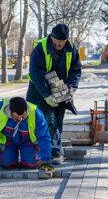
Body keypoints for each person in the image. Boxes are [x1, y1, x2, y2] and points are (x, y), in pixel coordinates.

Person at [26, 23, 82, 164]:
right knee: (46, 119)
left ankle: (54, 150)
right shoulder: (41, 47)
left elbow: (76, 71)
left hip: (60, 87)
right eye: (56, 41)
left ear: (66, 40)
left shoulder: (71, 49)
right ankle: (50, 151)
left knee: (58, 118)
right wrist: (46, 95)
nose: (58, 44)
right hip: (39, 89)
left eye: (61, 42)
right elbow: (36, 73)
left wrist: (70, 89)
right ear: (52, 37)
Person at [0, 97, 54, 171]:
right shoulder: (0, 108)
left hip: (28, 142)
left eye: (23, 116)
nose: (20, 119)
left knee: (31, 164)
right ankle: (12, 158)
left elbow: (44, 137)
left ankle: (26, 158)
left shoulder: (36, 113)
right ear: (11, 112)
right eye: (17, 117)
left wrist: (46, 161)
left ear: (26, 110)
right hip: (8, 141)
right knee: (6, 164)